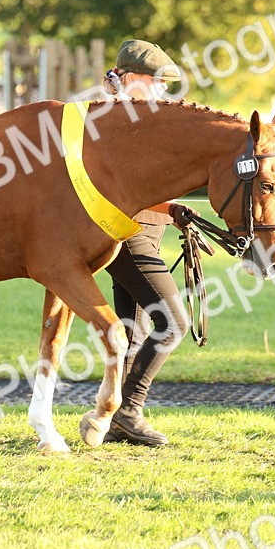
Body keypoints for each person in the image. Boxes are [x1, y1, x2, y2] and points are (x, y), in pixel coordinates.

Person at [100, 39, 199, 447]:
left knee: (134, 331)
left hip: (147, 234)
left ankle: (112, 419)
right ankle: (129, 411)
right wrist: (173, 207)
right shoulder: (113, 118)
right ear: (128, 77)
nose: (161, 89)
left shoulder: (145, 116)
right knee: (174, 324)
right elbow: (122, 186)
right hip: (128, 235)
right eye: (154, 81)